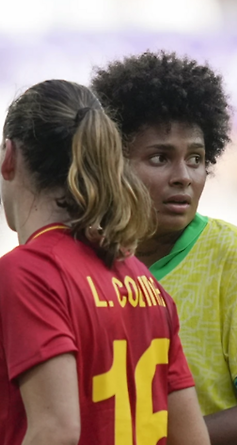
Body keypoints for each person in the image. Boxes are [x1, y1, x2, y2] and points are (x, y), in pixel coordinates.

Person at [0, 79, 209, 444]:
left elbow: (57, 431)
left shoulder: (27, 272)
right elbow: (193, 438)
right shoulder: (146, 283)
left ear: (8, 157)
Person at [91, 51, 236, 444]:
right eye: (160, 157)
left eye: (196, 158)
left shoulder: (230, 257)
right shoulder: (81, 261)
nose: (183, 177)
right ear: (112, 162)